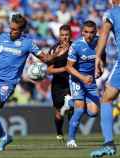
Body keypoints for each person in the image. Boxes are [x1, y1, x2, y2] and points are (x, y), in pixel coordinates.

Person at [0, 13, 65, 152]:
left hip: (7, 83)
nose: (11, 31)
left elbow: (45, 59)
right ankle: (4, 137)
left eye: (15, 29)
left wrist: (58, 55)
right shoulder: (2, 37)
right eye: (11, 28)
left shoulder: (28, 43)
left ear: (21, 30)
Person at [90, 0, 120, 157]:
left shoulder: (112, 13)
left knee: (107, 99)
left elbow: (103, 33)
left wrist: (97, 58)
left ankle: (109, 144)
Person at [65, 20, 100, 148]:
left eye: (92, 32)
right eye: (86, 32)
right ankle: (71, 140)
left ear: (96, 32)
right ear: (82, 32)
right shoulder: (76, 46)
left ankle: (69, 102)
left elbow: (102, 58)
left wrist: (100, 69)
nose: (89, 35)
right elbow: (68, 67)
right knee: (79, 110)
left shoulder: (99, 42)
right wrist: (82, 77)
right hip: (77, 79)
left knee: (93, 112)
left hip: (90, 81)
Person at [47, 24, 73, 142]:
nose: (64, 37)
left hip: (71, 83)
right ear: (59, 36)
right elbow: (49, 70)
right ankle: (59, 132)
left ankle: (72, 136)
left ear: (70, 35)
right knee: (58, 113)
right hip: (58, 84)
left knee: (71, 108)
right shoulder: (54, 49)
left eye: (67, 35)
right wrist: (64, 69)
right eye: (62, 35)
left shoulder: (75, 47)